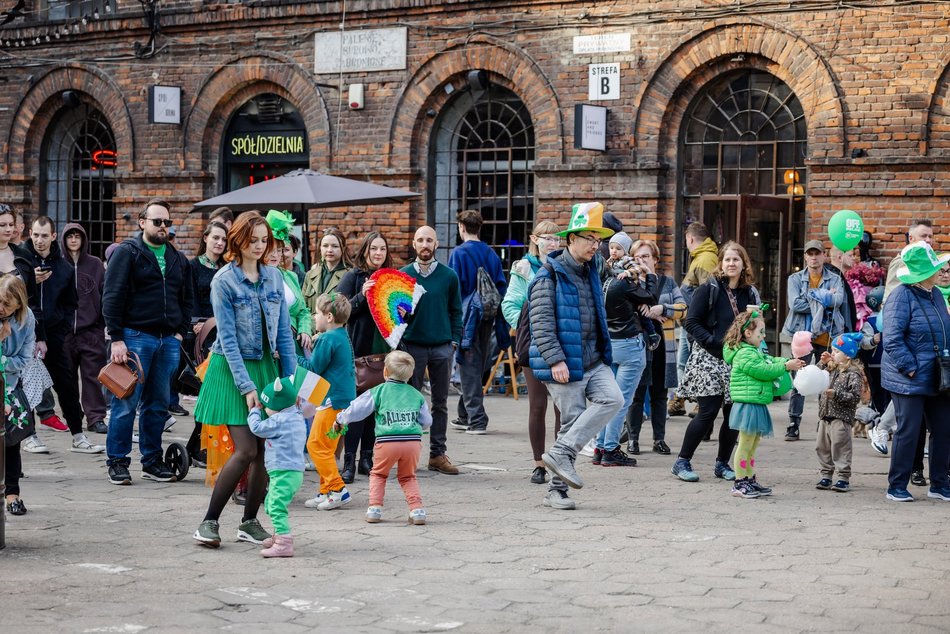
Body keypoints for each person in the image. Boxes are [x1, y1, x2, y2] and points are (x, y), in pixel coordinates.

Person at [193, 211, 296, 547]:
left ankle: (249, 522)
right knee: (247, 449)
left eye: (264, 240)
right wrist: (246, 387)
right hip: (231, 370)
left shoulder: (275, 277)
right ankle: (208, 522)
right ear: (238, 240)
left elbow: (283, 335)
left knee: (266, 451)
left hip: (266, 368)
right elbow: (229, 341)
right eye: (253, 240)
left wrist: (292, 380)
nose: (259, 246)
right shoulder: (223, 281)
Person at [529, 202, 624, 510]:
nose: (595, 245)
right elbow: (540, 323)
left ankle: (560, 453)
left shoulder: (591, 271)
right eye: (589, 238)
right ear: (570, 239)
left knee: (613, 399)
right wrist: (556, 360)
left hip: (593, 359)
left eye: (598, 240)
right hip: (563, 361)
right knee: (571, 420)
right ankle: (556, 491)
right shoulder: (547, 277)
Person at [103, 199, 194, 485]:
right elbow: (112, 296)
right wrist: (116, 338)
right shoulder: (128, 253)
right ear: (142, 222)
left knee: (157, 405)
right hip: (134, 338)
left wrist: (179, 332)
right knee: (125, 403)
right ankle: (117, 461)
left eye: (167, 222)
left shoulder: (178, 259)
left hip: (167, 341)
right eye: (158, 221)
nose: (163, 226)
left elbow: (187, 299)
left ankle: (152, 460)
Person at [673, 241, 761, 482]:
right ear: (720, 263)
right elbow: (691, 323)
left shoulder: (750, 293)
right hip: (709, 358)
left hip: (737, 360)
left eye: (736, 259)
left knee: (734, 414)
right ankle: (682, 461)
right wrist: (713, 342)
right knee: (708, 412)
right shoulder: (708, 289)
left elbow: (754, 327)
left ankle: (722, 464)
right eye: (727, 259)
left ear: (744, 264)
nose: (731, 263)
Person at [881, 242, 950, 502]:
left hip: (937, 375)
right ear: (924, 272)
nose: (941, 271)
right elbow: (893, 339)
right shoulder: (901, 296)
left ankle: (940, 484)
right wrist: (909, 368)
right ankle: (896, 485)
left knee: (944, 428)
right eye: (936, 268)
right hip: (907, 377)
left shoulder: (935, 294)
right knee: (908, 431)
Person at [336, 351, 432, 525]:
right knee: (408, 476)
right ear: (410, 374)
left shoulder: (378, 391)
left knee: (379, 474)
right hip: (412, 442)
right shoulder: (416, 395)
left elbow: (358, 409)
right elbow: (427, 421)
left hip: (387, 442)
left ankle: (375, 509)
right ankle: (417, 510)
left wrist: (341, 418)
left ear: (385, 372)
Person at [501, 220, 562, 484]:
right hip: (535, 344)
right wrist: (527, 327)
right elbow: (510, 304)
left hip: (562, 343)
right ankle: (539, 463)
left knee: (564, 405)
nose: (552, 242)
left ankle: (561, 459)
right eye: (546, 237)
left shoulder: (564, 265)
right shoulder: (524, 268)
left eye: (556, 238)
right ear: (534, 239)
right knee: (538, 404)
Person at [25, 217, 93, 449]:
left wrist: (60, 329)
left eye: (44, 235)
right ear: (29, 234)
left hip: (53, 335)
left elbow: (70, 303)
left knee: (66, 384)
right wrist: (28, 279)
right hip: (22, 333)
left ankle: (78, 434)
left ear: (53, 236)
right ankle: (27, 436)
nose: (39, 240)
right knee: (22, 387)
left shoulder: (62, 267)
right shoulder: (21, 259)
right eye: (35, 235)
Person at [401, 226, 463, 475]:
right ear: (414, 244)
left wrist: (454, 341)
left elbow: (456, 311)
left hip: (441, 346)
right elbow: (396, 313)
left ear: (436, 244)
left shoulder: (449, 276)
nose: (425, 244)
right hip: (412, 345)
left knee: (440, 403)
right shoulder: (404, 275)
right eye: (420, 240)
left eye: (429, 240)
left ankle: (437, 454)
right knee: (410, 401)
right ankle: (408, 454)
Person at [722, 306, 803, 498]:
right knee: (745, 444)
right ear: (748, 333)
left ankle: (749, 479)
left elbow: (769, 360)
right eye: (761, 332)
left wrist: (787, 361)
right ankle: (740, 483)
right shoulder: (744, 353)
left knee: (752, 444)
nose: (764, 336)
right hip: (748, 404)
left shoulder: (754, 351)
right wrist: (785, 366)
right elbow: (762, 370)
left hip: (756, 402)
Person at [592, 240, 655, 467]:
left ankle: (600, 447)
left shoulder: (602, 281)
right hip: (629, 344)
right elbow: (649, 298)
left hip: (610, 343)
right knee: (621, 401)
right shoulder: (626, 281)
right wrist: (650, 275)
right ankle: (610, 449)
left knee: (609, 399)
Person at [337, 231, 394, 482]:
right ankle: (349, 460)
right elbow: (339, 311)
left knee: (374, 408)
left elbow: (399, 315)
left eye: (382, 249)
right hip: (358, 353)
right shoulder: (354, 276)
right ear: (365, 251)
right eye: (374, 249)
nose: (378, 253)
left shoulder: (391, 278)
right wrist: (363, 295)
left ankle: (367, 458)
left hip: (383, 353)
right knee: (357, 408)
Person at [781, 239, 846, 441]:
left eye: (817, 253)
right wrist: (822, 297)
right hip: (802, 334)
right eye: (810, 253)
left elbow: (838, 301)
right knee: (800, 379)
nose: (814, 257)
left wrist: (812, 297)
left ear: (824, 255)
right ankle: (794, 422)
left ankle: (822, 420)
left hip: (826, 335)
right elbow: (795, 304)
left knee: (823, 379)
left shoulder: (835, 278)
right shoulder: (794, 279)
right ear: (805, 257)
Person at [448, 210, 507, 435]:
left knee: (468, 366)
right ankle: (465, 415)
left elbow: (454, 289)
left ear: (461, 227)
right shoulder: (491, 254)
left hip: (466, 317)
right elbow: (501, 285)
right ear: (479, 227)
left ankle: (477, 419)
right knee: (478, 363)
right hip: (488, 316)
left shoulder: (459, 253)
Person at [627, 239, 686, 456]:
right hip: (638, 345)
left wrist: (663, 308)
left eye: (645, 256)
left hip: (663, 346)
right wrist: (645, 313)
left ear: (655, 260)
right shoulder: (629, 282)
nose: (641, 260)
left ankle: (659, 439)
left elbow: (683, 309)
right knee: (637, 395)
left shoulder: (667, 283)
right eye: (637, 257)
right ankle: (632, 440)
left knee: (660, 395)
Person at [300, 292, 356, 510]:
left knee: (315, 445)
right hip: (344, 400)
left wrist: (289, 357)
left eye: (317, 313)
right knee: (327, 446)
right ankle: (325, 491)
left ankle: (337, 489)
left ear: (329, 317)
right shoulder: (340, 335)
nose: (315, 317)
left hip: (331, 401)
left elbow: (314, 368)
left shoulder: (326, 338)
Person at [247, 377, 307, 557]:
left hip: (284, 471)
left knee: (275, 506)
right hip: (291, 471)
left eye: (267, 406)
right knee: (271, 503)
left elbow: (257, 428)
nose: (266, 409)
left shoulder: (279, 420)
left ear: (278, 405)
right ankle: (278, 536)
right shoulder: (296, 415)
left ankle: (284, 543)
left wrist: (254, 411)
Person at [186, 220, 228, 466]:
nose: (219, 243)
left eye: (223, 240)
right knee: (207, 393)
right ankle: (197, 446)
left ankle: (197, 446)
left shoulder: (226, 268)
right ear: (205, 238)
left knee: (215, 395)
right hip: (200, 334)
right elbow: (189, 298)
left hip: (221, 332)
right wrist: (195, 323)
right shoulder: (193, 267)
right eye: (215, 238)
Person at [61, 223, 109, 436]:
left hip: (91, 330)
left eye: (77, 236)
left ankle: (96, 417)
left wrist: (102, 325)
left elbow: (105, 294)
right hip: (64, 332)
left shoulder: (96, 264)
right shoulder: (58, 264)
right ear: (63, 239)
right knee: (66, 378)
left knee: (93, 376)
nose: (73, 240)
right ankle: (73, 415)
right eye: (69, 236)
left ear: (83, 239)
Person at [671, 221, 719, 417]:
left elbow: (707, 294)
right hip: (688, 320)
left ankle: (700, 402)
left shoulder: (705, 259)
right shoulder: (700, 257)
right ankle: (679, 399)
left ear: (690, 238)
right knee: (683, 363)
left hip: (695, 322)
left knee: (693, 362)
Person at [1, 276, 37, 515]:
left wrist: (2, 361)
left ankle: (12, 494)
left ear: (19, 303)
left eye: (6, 303)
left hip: (10, 387)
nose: (1, 308)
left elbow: (24, 359)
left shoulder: (27, 320)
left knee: (11, 442)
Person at [814, 333, 866, 493]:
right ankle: (826, 475)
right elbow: (815, 377)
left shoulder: (853, 374)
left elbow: (854, 397)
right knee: (822, 446)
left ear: (848, 355)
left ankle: (843, 477)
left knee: (841, 447)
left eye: (836, 351)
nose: (833, 354)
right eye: (833, 350)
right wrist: (822, 363)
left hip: (841, 418)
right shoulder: (831, 368)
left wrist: (836, 394)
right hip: (825, 416)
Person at [264, 210, 313, 353]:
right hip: (270, 346)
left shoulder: (291, 276)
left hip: (294, 342)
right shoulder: (255, 277)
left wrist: (305, 330)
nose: (275, 255)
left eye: (279, 250)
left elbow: (303, 311)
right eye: (270, 250)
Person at [883, 219, 933, 303]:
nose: (928, 240)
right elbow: (892, 300)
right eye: (924, 236)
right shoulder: (901, 262)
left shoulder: (929, 262)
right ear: (911, 238)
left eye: (930, 236)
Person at [302, 228, 350, 313]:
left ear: (343, 248)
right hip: (311, 325)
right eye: (325, 246)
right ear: (320, 248)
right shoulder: (310, 275)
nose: (329, 250)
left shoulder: (349, 275)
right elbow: (302, 309)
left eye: (335, 246)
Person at [828, 246, 858, 332]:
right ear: (840, 258)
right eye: (850, 255)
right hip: (835, 335)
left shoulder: (840, 277)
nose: (854, 258)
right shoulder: (832, 278)